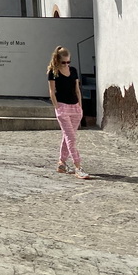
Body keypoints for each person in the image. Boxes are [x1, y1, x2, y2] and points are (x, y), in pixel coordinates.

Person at [47, 46, 91, 179]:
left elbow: (77, 89)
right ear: (57, 60)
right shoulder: (53, 72)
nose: (66, 64)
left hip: (75, 108)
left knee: (68, 137)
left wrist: (80, 107)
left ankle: (62, 163)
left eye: (68, 62)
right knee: (71, 138)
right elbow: (51, 92)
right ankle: (78, 167)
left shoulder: (73, 71)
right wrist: (57, 107)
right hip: (62, 107)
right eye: (63, 62)